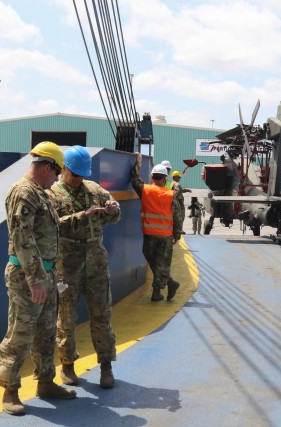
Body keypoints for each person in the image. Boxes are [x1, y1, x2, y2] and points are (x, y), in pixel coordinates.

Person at [0, 141, 76, 416]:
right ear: (44, 167)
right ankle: (10, 390)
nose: (57, 178)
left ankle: (45, 382)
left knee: (46, 332)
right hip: (27, 276)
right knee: (20, 332)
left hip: (46, 273)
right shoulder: (24, 192)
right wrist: (34, 278)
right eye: (56, 172)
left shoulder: (41, 193)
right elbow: (22, 237)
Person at [47, 146, 121, 389]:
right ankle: (67, 365)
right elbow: (52, 226)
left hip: (96, 261)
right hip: (68, 263)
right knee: (66, 317)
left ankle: (106, 366)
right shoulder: (53, 194)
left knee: (102, 314)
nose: (78, 179)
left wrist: (112, 210)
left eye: (82, 174)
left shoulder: (94, 189)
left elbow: (114, 216)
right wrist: (82, 216)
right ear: (64, 169)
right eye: (75, 174)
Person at [131, 153, 182, 301]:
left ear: (152, 177)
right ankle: (169, 284)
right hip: (165, 236)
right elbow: (177, 217)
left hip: (149, 235)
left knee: (152, 259)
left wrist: (138, 163)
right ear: (165, 178)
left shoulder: (145, 190)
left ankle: (158, 292)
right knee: (162, 263)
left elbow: (134, 179)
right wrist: (177, 235)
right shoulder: (171, 195)